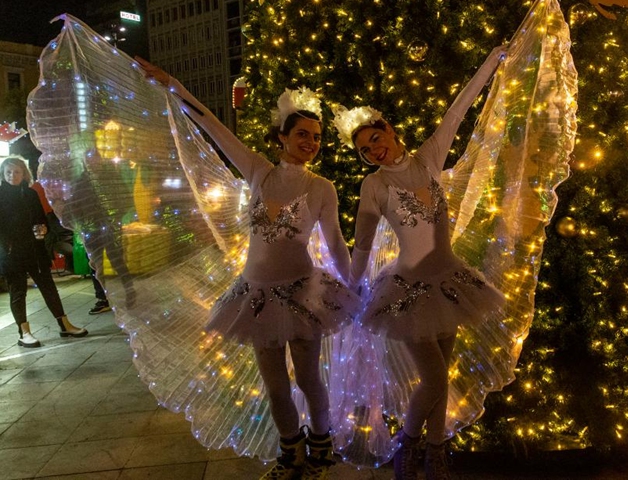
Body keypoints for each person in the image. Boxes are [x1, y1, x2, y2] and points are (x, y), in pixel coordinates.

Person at [136, 57, 358, 480]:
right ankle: (290, 456)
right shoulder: (257, 170)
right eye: (302, 135)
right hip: (256, 295)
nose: (310, 142)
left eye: (316, 137)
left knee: (309, 379)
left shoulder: (321, 187)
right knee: (275, 386)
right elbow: (214, 128)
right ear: (282, 138)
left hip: (304, 295)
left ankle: (321, 451)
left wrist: (352, 288)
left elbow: (335, 243)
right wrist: (176, 86)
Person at [333, 46, 507, 480]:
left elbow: (459, 109)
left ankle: (436, 455)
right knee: (432, 377)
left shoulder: (429, 157)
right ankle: (407, 448)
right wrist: (350, 289)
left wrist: (493, 60)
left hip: (449, 283)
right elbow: (362, 246)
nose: (372, 150)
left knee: (441, 376)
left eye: (375, 139)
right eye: (364, 149)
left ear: (389, 130)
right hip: (407, 293)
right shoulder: (374, 187)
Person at [0, 156, 88, 347]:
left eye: (16, 172)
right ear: (2, 174)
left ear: (24, 174)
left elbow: (42, 218)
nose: (12, 176)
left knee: (49, 287)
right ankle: (24, 332)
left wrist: (44, 230)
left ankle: (64, 324)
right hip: (12, 252)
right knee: (18, 291)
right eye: (8, 172)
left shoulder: (30, 194)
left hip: (35, 249)